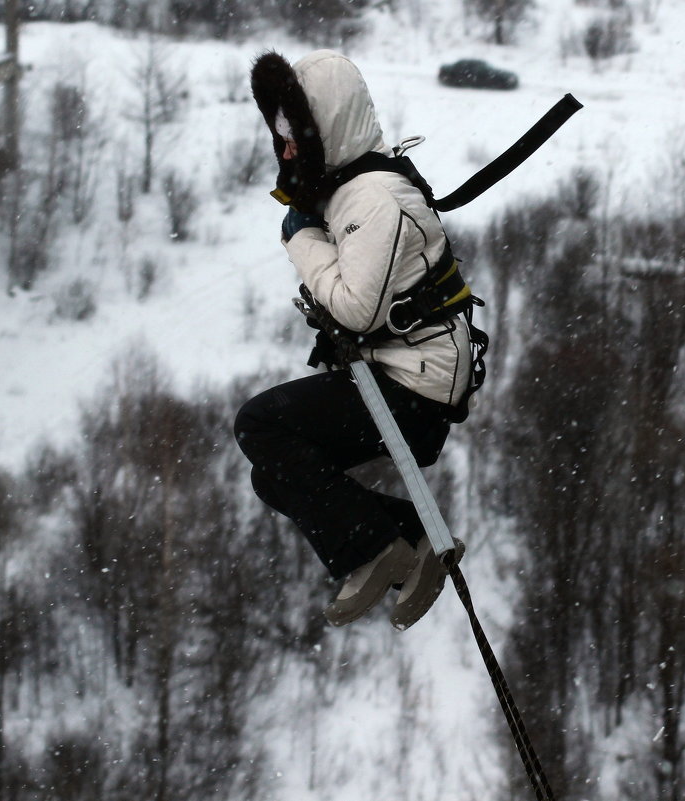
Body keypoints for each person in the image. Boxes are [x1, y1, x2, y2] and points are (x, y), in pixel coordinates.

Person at [234, 50, 472, 630]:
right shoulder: (350, 193)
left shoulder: (375, 200)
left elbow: (357, 309)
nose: (285, 149)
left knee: (258, 425)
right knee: (274, 473)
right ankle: (412, 537)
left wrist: (300, 238)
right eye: (280, 135)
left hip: (418, 388)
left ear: (326, 131)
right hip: (400, 373)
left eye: (294, 136)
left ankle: (372, 549)